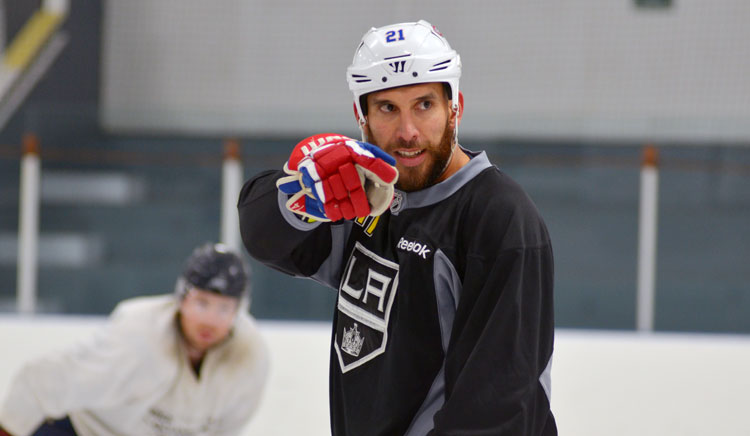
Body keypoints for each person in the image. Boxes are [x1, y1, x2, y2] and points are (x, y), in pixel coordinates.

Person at [238, 19, 555, 435]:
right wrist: (299, 198)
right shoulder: (362, 196)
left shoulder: (498, 219)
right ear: (361, 115)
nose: (408, 133)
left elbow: (493, 408)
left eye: (424, 105)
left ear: (455, 106)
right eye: (388, 108)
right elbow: (265, 241)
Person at [0, 243, 269, 436]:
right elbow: (45, 380)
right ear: (182, 299)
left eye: (224, 309)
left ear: (238, 311)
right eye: (202, 303)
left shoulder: (249, 356)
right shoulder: (139, 335)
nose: (210, 320)